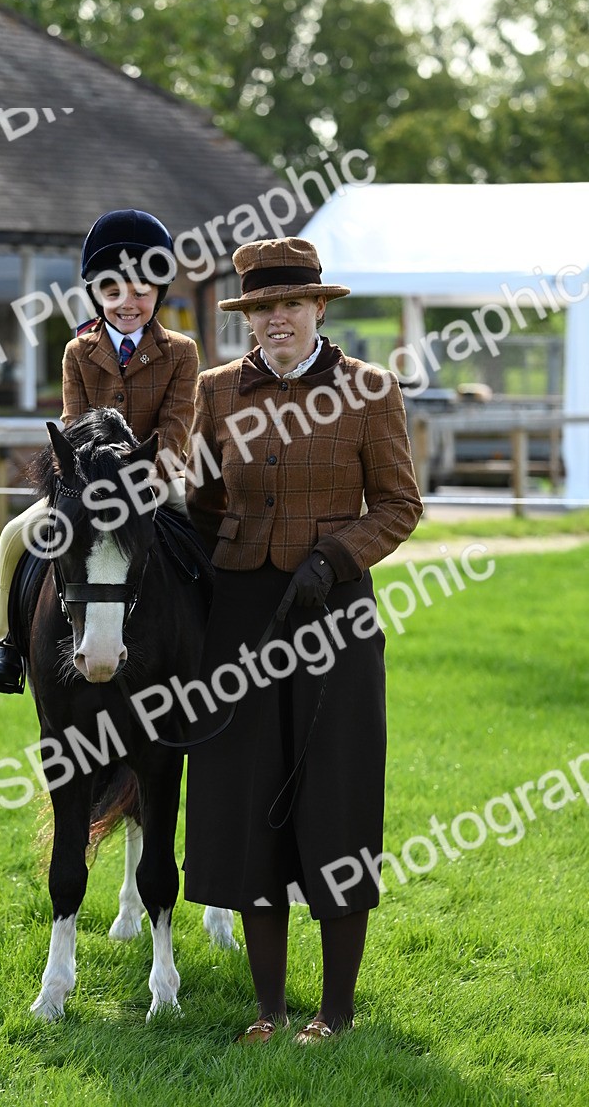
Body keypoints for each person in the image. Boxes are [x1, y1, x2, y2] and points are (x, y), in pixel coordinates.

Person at [182, 236, 423, 1044]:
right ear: (248, 318)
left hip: (336, 614)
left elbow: (398, 504)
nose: (275, 320)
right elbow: (206, 499)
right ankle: (267, 1009)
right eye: (260, 309)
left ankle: (336, 1012)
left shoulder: (369, 390)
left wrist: (333, 556)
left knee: (337, 796)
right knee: (249, 798)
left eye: (289, 304)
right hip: (243, 616)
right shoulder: (215, 393)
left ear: (320, 307)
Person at [0, 208, 200, 693]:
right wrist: (90, 484)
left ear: (158, 294)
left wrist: (143, 482)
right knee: (14, 535)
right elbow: (75, 426)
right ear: (96, 293)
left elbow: (177, 426)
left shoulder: (181, 351)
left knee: (210, 529)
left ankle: (218, 640)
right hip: (88, 483)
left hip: (156, 480)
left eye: (141, 292)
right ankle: (5, 646)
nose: (128, 303)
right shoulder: (78, 352)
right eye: (114, 291)